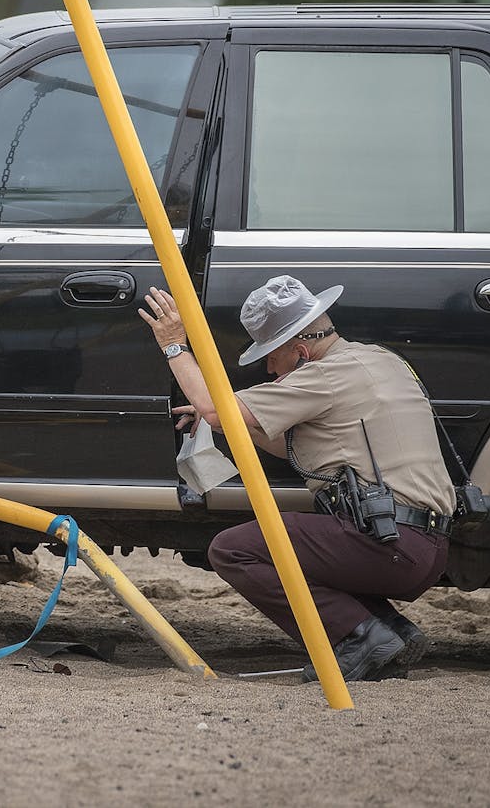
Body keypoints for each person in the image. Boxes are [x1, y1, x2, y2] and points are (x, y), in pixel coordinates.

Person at [139, 275, 456, 681]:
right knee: (316, 543)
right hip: (422, 545)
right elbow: (293, 445)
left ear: (302, 352)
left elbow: (218, 409)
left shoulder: (322, 376)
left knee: (233, 550)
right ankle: (390, 631)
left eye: (272, 356)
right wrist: (224, 421)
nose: (269, 368)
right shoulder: (379, 360)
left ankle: (356, 636)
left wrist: (174, 345)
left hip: (389, 543)